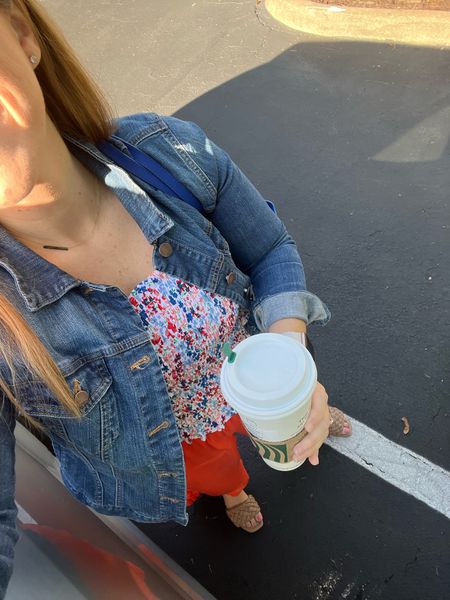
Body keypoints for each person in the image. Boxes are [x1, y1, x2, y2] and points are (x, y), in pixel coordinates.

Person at [0, 0, 352, 595]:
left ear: (21, 31)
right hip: (180, 445)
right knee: (224, 471)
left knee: (289, 416)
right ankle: (234, 492)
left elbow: (268, 251)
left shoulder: (168, 153)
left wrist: (290, 358)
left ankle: (305, 408)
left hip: (253, 382)